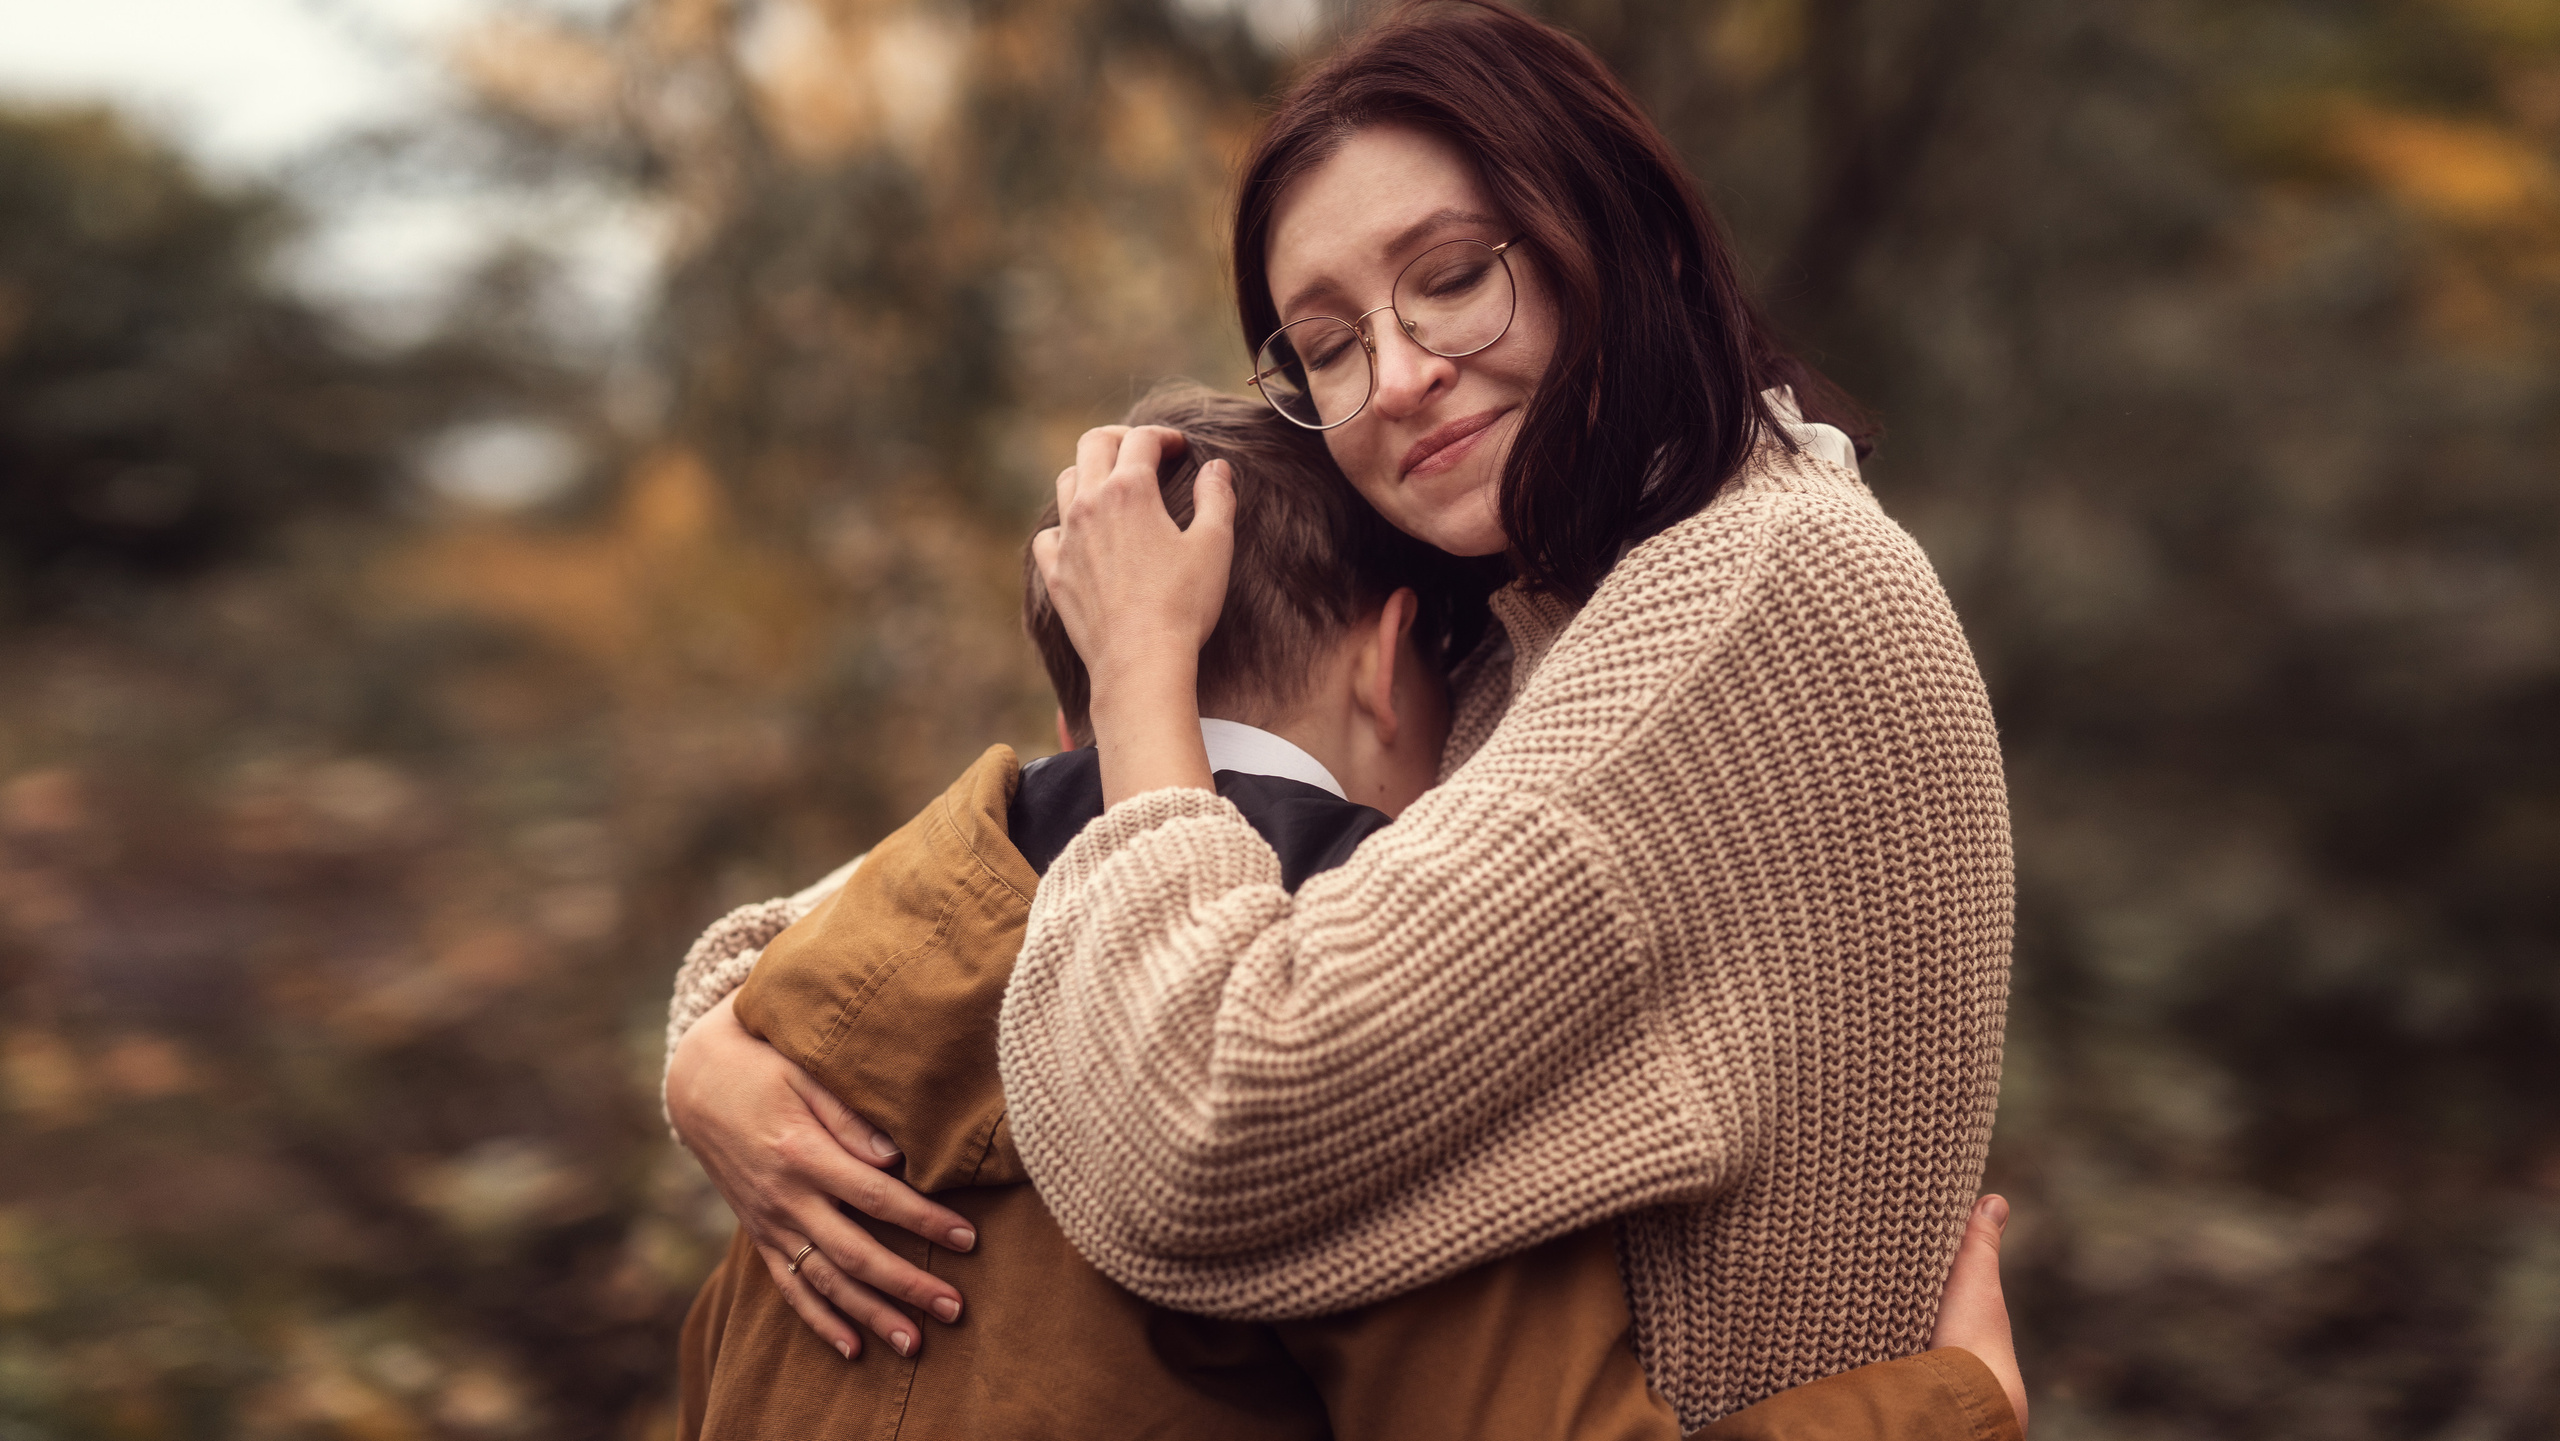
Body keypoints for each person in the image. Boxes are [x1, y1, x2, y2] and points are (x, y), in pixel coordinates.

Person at [668, 0, 2019, 1433]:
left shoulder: (1745, 591)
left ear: (1632, 239)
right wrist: (716, 1038)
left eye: (1451, 277)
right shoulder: (1525, 637)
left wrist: (1139, 672)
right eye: (1326, 345)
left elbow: (1191, 1126)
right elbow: (1005, 890)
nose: (1398, 377)